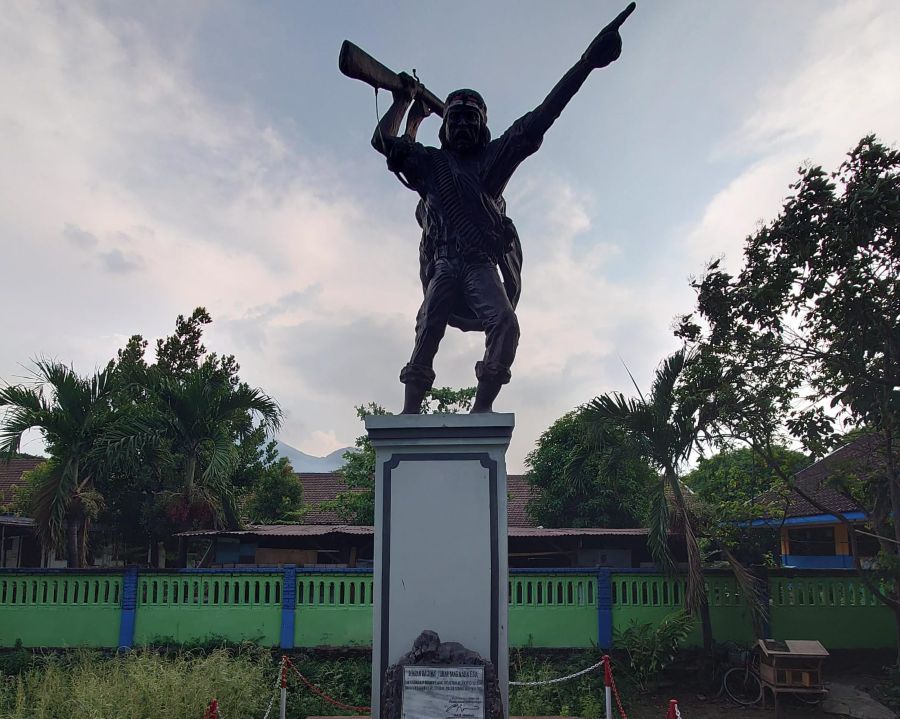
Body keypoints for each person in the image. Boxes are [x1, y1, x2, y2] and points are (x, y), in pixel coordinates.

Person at [372, 4, 634, 414]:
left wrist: (587, 63)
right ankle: (409, 412)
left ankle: (482, 411)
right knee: (427, 330)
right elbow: (384, 140)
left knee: (506, 325)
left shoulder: (494, 160)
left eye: (470, 118)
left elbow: (544, 115)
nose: (461, 124)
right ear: (444, 127)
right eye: (454, 117)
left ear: (483, 126)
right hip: (443, 264)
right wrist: (404, 101)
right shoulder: (430, 163)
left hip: (479, 265)